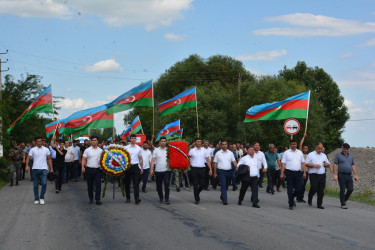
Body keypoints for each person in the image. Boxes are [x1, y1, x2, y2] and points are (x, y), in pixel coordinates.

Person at [25, 136, 53, 205]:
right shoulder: (33, 149)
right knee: (35, 185)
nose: (39, 143)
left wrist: (51, 168)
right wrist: (26, 166)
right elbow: (28, 158)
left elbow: (49, 159)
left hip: (44, 169)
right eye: (37, 141)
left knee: (44, 183)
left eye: (40, 141)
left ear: (42, 142)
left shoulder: (46, 149)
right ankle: (36, 199)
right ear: (35, 142)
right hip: (35, 169)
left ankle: (42, 198)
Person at [280, 140, 306, 210]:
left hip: (298, 172)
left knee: (299, 188)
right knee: (290, 189)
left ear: (296, 144)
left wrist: (304, 172)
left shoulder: (300, 152)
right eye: (292, 144)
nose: (293, 145)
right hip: (289, 173)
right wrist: (282, 173)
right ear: (290, 145)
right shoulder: (286, 153)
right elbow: (283, 163)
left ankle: (292, 197)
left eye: (295, 144)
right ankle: (290, 204)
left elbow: (303, 163)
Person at [306, 142, 331, 209]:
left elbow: (328, 164)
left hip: (322, 175)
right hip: (313, 175)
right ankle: (310, 196)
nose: (320, 150)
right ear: (316, 148)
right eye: (319, 148)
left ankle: (319, 204)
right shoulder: (310, 154)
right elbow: (307, 164)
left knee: (321, 190)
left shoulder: (324, 155)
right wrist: (314, 165)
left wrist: (326, 165)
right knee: (314, 187)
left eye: (321, 148)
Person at [333, 143, 358, 209]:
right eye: (344, 149)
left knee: (350, 189)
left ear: (348, 149)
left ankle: (344, 199)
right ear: (342, 148)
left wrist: (356, 174)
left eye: (346, 149)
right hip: (341, 175)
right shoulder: (338, 155)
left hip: (349, 175)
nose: (345, 150)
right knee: (342, 189)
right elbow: (335, 165)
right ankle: (343, 204)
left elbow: (353, 165)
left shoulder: (351, 156)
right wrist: (335, 174)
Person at [189, 138, 212, 205]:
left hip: (202, 168)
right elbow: (187, 158)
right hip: (194, 168)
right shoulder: (192, 150)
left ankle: (197, 193)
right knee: (195, 184)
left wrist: (210, 169)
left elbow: (208, 160)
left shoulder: (204, 150)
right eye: (197, 141)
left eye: (200, 141)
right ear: (195, 142)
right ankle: (196, 198)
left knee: (202, 184)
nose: (199, 143)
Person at [213, 140, 237, 205]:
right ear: (221, 145)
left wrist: (237, 167)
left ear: (227, 145)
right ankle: (225, 200)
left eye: (225, 144)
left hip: (229, 171)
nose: (224, 145)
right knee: (223, 185)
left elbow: (234, 161)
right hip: (221, 171)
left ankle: (222, 195)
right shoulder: (218, 153)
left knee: (226, 185)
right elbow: (215, 163)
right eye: (223, 144)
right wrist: (215, 173)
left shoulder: (230, 153)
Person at [81, 136, 103, 205]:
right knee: (90, 185)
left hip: (98, 169)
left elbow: (103, 160)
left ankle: (97, 199)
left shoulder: (101, 150)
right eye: (92, 140)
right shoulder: (87, 150)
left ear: (97, 141)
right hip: (89, 169)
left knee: (98, 184)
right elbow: (84, 159)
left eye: (95, 140)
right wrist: (82, 166)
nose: (94, 141)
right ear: (91, 142)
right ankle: (91, 198)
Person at [150, 137, 171, 204]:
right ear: (159, 142)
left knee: (167, 184)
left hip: (166, 170)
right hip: (158, 170)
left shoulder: (168, 150)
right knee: (158, 186)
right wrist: (151, 169)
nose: (163, 142)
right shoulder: (156, 150)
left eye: (164, 141)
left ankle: (167, 199)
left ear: (166, 142)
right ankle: (161, 197)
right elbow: (153, 160)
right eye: (162, 141)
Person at [124, 134, 143, 204]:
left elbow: (140, 158)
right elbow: (123, 157)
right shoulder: (126, 148)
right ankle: (128, 198)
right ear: (130, 139)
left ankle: (136, 199)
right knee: (127, 183)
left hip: (135, 166)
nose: (133, 139)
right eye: (132, 138)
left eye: (134, 138)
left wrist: (141, 168)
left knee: (136, 183)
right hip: (128, 166)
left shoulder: (139, 148)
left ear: (136, 139)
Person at [297, 133, 309, 203]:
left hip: (306, 172)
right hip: (300, 171)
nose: (305, 149)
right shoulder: (300, 153)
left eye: (306, 148)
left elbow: (308, 165)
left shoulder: (308, 155)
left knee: (304, 185)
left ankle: (301, 198)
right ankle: (298, 196)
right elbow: (300, 145)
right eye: (304, 148)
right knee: (300, 184)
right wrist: (303, 137)